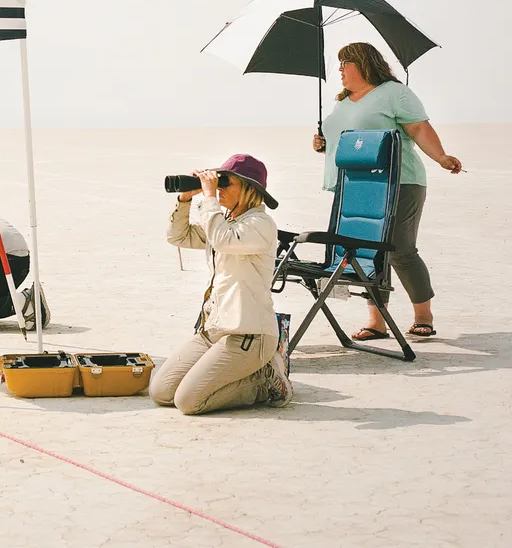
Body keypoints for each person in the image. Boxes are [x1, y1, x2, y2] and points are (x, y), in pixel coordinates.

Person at [313, 41, 461, 341]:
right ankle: (377, 322)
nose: (339, 70)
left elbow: (418, 128)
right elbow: (351, 141)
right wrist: (323, 144)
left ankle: (423, 315)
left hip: (400, 182)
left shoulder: (395, 93)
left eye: (345, 63)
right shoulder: (342, 101)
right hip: (356, 186)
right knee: (367, 254)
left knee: (401, 251)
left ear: (363, 64)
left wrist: (442, 157)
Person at [150, 154, 292, 415]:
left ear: (249, 189)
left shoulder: (261, 225)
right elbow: (178, 236)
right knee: (161, 391)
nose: (219, 189)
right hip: (214, 329)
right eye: (219, 183)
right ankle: (237, 374)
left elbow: (223, 240)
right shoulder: (223, 221)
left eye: (226, 183)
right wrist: (185, 199)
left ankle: (264, 378)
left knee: (188, 402)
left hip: (249, 335)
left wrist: (209, 198)